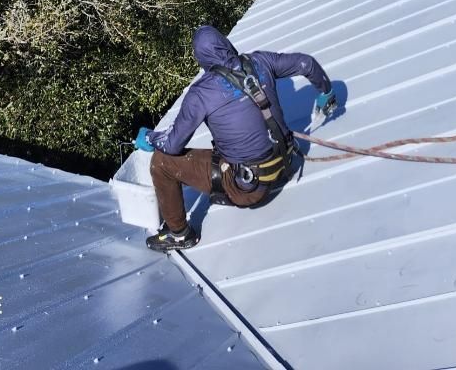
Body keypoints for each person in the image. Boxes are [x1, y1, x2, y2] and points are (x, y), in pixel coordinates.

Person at [135, 24, 335, 252]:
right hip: (285, 164)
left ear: (201, 58)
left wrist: (149, 137)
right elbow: (305, 63)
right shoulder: (260, 61)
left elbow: (172, 144)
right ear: (226, 43)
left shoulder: (201, 93)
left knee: (162, 163)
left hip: (249, 189)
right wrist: (326, 92)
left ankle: (179, 234)